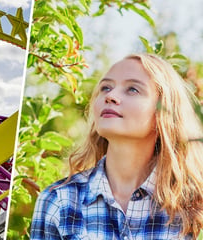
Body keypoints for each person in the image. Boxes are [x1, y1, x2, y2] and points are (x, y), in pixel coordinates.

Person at [30, 53, 203, 239]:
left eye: (132, 89)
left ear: (164, 110)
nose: (111, 96)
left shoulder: (195, 205)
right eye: (105, 88)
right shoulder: (58, 201)